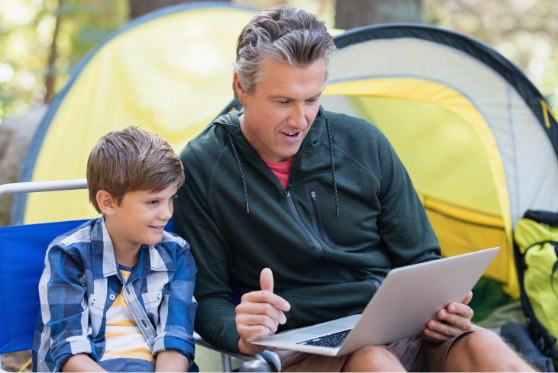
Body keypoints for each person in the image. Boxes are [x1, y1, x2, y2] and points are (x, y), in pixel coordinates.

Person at [173, 5, 533, 372]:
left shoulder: (363, 144)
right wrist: (240, 333)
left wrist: (445, 308)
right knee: (371, 362)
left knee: (485, 347)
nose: (300, 120)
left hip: (399, 326)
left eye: (312, 99)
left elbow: (422, 258)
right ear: (240, 88)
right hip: (301, 345)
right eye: (283, 101)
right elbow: (207, 298)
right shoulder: (203, 168)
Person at [32, 127, 197, 372]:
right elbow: (69, 352)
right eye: (153, 201)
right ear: (107, 202)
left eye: (171, 198)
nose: (167, 213)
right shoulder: (68, 256)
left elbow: (176, 340)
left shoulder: (176, 254)